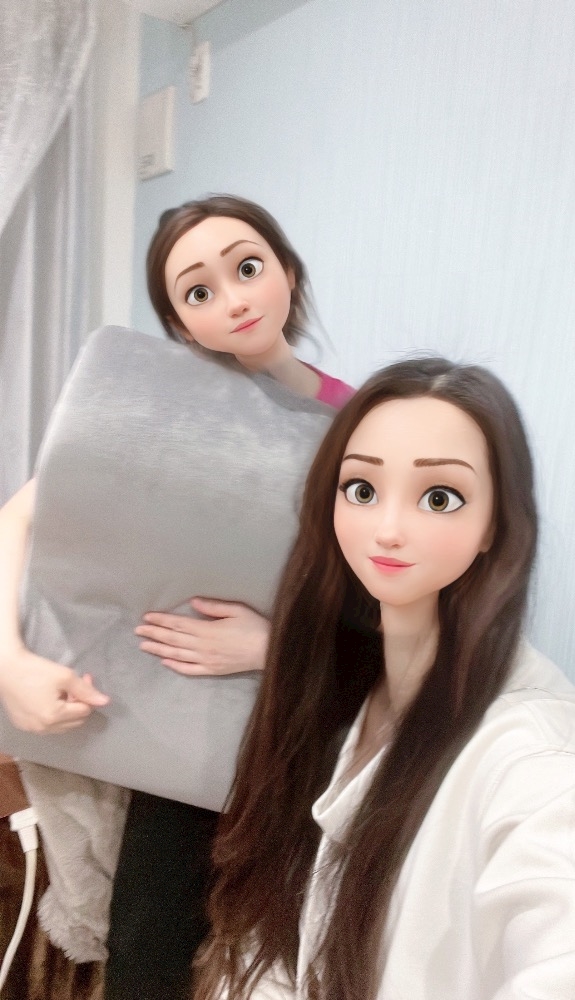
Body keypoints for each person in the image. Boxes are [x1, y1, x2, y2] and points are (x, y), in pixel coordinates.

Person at [0, 195, 355, 1000]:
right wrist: (10, 661)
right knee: (148, 943)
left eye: (247, 267)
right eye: (198, 291)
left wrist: (273, 646)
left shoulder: (355, 422)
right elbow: (17, 519)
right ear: (181, 326)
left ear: (287, 272)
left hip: (295, 707)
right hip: (172, 721)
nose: (232, 298)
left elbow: (386, 599)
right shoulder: (152, 408)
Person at [195, 357, 575, 1000]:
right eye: (362, 490)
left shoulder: (544, 755)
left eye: (439, 498)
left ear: (495, 524)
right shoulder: (341, 691)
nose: (388, 530)